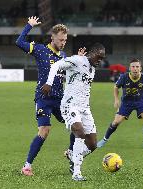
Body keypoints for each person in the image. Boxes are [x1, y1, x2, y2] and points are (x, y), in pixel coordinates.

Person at [16, 16, 86, 176]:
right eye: (61, 40)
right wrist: (29, 26)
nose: (63, 42)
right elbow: (19, 42)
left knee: (77, 126)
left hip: (60, 100)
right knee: (44, 130)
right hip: (44, 98)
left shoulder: (63, 57)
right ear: (52, 37)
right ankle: (27, 166)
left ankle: (70, 153)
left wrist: (80, 61)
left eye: (65, 40)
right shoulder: (40, 49)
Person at [42, 43, 106, 181]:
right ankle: (77, 173)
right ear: (92, 53)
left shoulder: (92, 68)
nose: (100, 60)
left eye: (102, 58)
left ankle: (73, 155)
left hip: (85, 108)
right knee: (79, 132)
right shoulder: (77, 60)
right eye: (99, 57)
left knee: (93, 144)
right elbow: (56, 65)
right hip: (70, 105)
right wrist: (49, 83)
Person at [97, 58, 143, 150]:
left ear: (140, 68)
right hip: (126, 102)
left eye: (137, 66)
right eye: (133, 66)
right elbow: (116, 87)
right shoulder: (124, 77)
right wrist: (116, 100)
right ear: (130, 68)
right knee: (116, 122)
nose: (135, 69)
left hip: (140, 101)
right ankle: (104, 140)